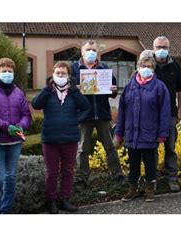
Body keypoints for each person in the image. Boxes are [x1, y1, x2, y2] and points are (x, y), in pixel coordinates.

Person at [32, 62, 90, 213]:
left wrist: (75, 89)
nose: (60, 76)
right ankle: (51, 201)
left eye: (63, 73)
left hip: (70, 139)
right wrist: (46, 88)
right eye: (57, 73)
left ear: (68, 76)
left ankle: (64, 199)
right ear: (52, 74)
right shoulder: (48, 92)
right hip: (50, 139)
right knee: (51, 172)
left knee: (68, 171)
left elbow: (85, 106)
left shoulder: (73, 92)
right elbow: (36, 104)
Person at [114, 50, 170, 202]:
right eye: (143, 65)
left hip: (150, 134)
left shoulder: (159, 87)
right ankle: (133, 189)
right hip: (132, 134)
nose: (146, 68)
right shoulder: (129, 87)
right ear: (138, 66)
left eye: (149, 66)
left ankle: (150, 189)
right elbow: (122, 112)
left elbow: (165, 112)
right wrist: (119, 133)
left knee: (150, 164)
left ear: (153, 67)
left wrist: (162, 133)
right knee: (133, 164)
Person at [0, 58, 32, 214]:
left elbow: (26, 114)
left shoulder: (18, 92)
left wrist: (21, 126)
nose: (7, 73)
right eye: (4, 71)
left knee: (10, 178)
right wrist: (4, 126)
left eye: (10, 71)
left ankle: (6, 210)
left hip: (14, 142)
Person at [71, 39, 124, 185]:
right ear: (82, 51)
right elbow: (68, 90)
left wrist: (114, 90)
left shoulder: (104, 68)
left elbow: (112, 92)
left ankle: (117, 174)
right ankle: (82, 178)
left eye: (94, 50)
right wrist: (76, 88)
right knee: (82, 149)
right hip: (83, 115)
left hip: (102, 114)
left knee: (110, 146)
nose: (91, 53)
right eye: (88, 50)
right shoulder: (74, 68)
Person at [152, 36, 181, 192]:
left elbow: (180, 90)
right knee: (152, 148)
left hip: (170, 113)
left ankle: (172, 178)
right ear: (153, 48)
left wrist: (179, 110)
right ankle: (153, 179)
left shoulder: (175, 66)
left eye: (164, 47)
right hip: (151, 115)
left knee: (170, 147)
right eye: (158, 47)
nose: (161, 50)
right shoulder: (148, 66)